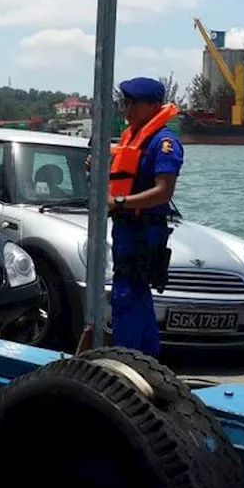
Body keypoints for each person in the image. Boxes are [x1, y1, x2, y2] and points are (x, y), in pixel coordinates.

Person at [80, 76, 182, 356]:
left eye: (134, 104)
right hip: (126, 229)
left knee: (127, 298)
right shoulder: (132, 139)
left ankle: (126, 364)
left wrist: (121, 202)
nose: (128, 109)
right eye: (125, 103)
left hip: (143, 233)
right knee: (139, 300)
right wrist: (97, 166)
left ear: (154, 106)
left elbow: (163, 191)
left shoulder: (164, 143)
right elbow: (120, 178)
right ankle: (148, 361)